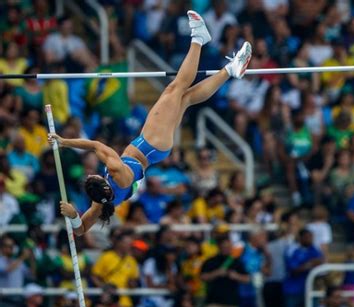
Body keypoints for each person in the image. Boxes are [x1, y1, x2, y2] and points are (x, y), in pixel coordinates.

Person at [50, 11, 252, 235]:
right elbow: (98, 146)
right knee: (174, 88)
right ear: (104, 183)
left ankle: (230, 70)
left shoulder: (103, 201)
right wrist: (64, 142)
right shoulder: (118, 174)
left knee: (186, 99)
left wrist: (74, 217)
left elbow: (81, 230)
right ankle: (198, 40)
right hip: (151, 143)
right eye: (94, 177)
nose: (93, 173)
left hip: (153, 149)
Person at [200, 235, 250, 307]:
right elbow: (202, 277)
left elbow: (247, 279)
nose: (226, 249)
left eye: (228, 246)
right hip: (213, 302)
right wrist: (216, 273)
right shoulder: (210, 261)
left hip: (231, 303)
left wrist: (236, 276)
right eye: (224, 246)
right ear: (219, 247)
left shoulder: (236, 262)